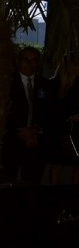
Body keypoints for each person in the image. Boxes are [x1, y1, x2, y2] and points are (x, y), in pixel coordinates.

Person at [1, 46, 47, 183]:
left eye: (34, 61)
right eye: (26, 60)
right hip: (12, 142)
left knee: (32, 182)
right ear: (18, 61)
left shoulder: (45, 84)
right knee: (7, 180)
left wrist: (35, 130)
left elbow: (49, 112)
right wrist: (21, 131)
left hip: (36, 143)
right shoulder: (7, 83)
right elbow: (2, 112)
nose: (30, 64)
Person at [45, 53, 79, 184]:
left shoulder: (76, 84)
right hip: (59, 130)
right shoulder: (53, 84)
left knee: (75, 166)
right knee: (57, 164)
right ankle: (55, 196)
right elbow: (53, 110)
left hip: (74, 130)